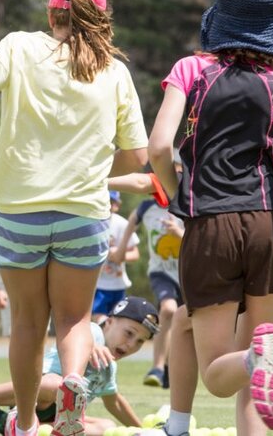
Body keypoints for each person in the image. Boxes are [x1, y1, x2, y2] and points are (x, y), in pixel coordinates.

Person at [0, 0, 148, 436]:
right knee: (75, 318)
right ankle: (75, 383)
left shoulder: (20, 45)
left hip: (18, 211)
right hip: (84, 213)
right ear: (101, 18)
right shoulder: (116, 71)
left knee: (27, 323)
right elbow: (138, 156)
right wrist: (95, 169)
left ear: (51, 11)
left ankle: (24, 424)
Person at [148, 0, 273, 431]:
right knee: (256, 349)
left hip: (210, 225)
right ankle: (272, 360)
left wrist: (181, 200)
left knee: (218, 376)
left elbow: (158, 148)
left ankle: (260, 359)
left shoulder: (191, 69)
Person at [0, 296, 159, 436]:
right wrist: (90, 346)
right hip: (34, 397)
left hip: (53, 417)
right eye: (129, 333)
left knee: (106, 426)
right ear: (109, 322)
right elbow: (79, 337)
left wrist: (143, 429)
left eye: (140, 341)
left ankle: (2, 423)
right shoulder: (92, 332)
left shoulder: (110, 366)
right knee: (56, 385)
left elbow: (114, 403)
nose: (131, 344)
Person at [110, 158, 184, 390]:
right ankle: (158, 367)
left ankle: (172, 369)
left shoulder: (188, 204)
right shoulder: (147, 207)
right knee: (169, 309)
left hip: (187, 273)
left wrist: (180, 232)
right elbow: (132, 220)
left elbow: (201, 241)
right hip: (161, 272)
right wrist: (121, 250)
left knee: (185, 322)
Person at [92, 192, 139, 324]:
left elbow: (135, 254)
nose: (107, 205)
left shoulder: (121, 224)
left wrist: (119, 255)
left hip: (118, 283)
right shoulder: (92, 223)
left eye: (111, 202)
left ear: (117, 205)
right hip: (98, 284)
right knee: (99, 318)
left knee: (117, 320)